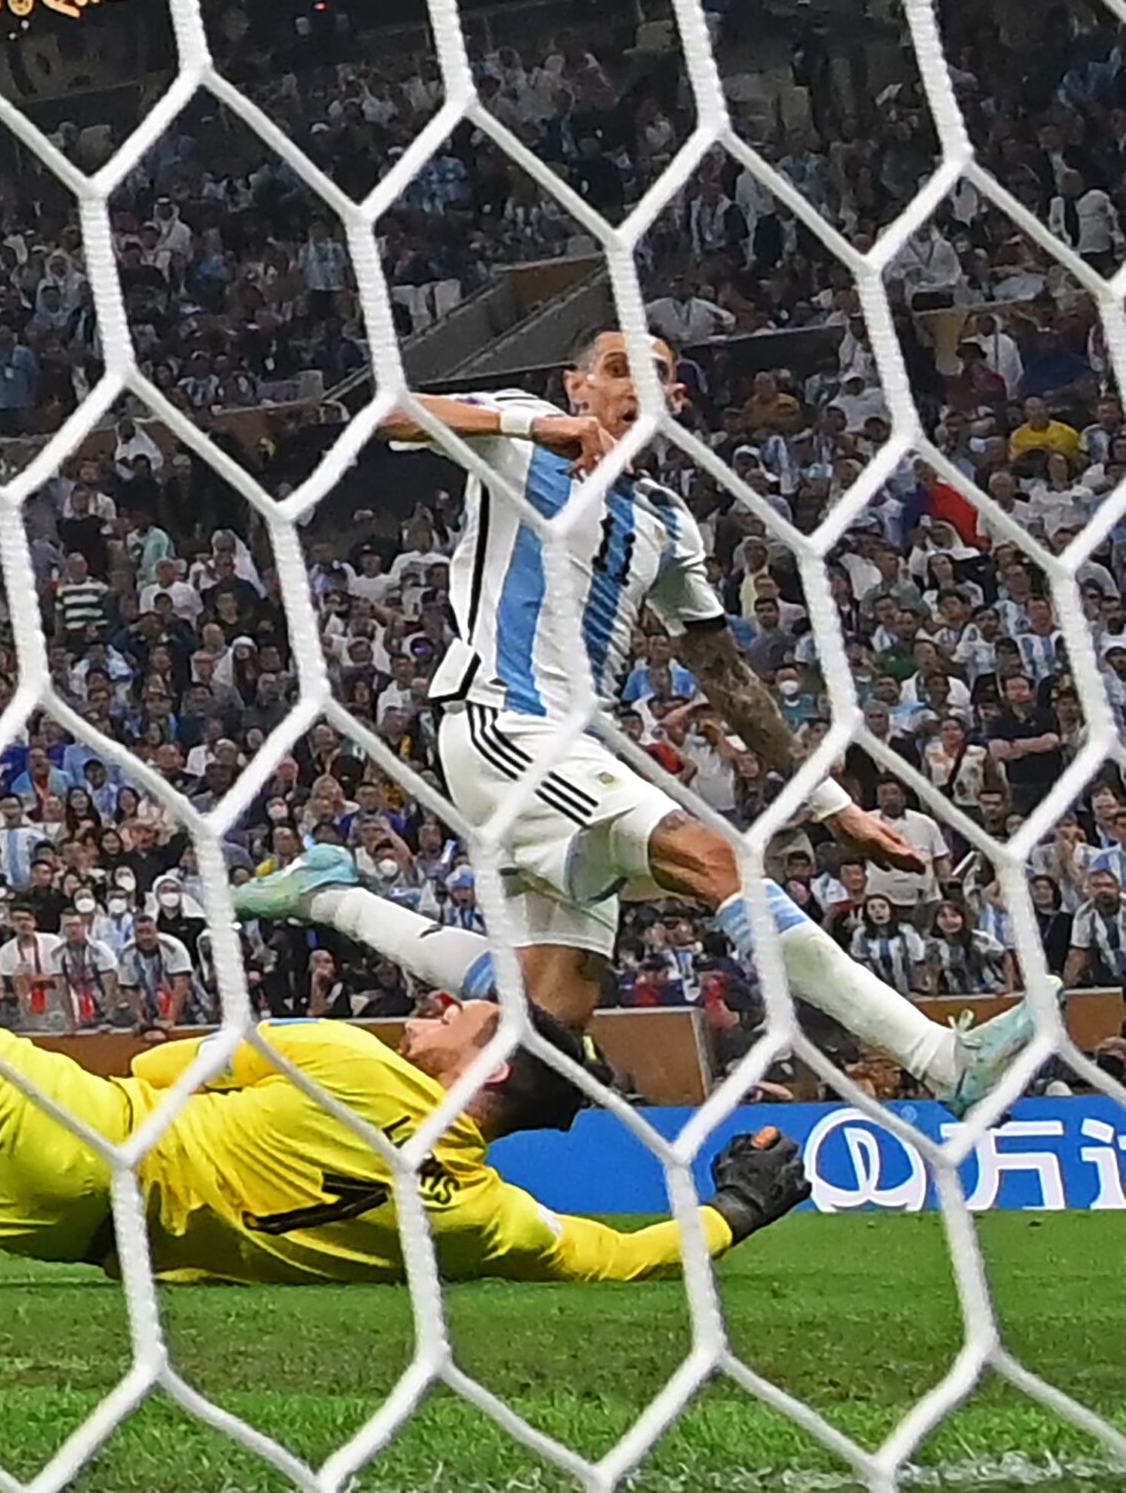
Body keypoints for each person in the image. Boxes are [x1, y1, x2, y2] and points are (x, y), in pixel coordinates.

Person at [234, 328, 1046, 1115]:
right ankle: (940, 1058)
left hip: (572, 747)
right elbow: (393, 410)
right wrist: (537, 423)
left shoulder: (664, 519)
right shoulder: (519, 442)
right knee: (714, 859)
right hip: (501, 721)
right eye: (617, 370)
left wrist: (835, 809)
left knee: (550, 1013)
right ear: (577, 387)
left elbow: (726, 676)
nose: (635, 389)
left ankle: (333, 897)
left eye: (656, 376)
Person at [0, 963, 810, 1289]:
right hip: (76, 1237)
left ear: (486, 1076)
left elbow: (172, 1057)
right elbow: (623, 1255)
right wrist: (735, 1207)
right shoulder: (483, 1213)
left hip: (100, 1135)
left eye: (470, 1012)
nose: (444, 999)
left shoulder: (353, 1064)